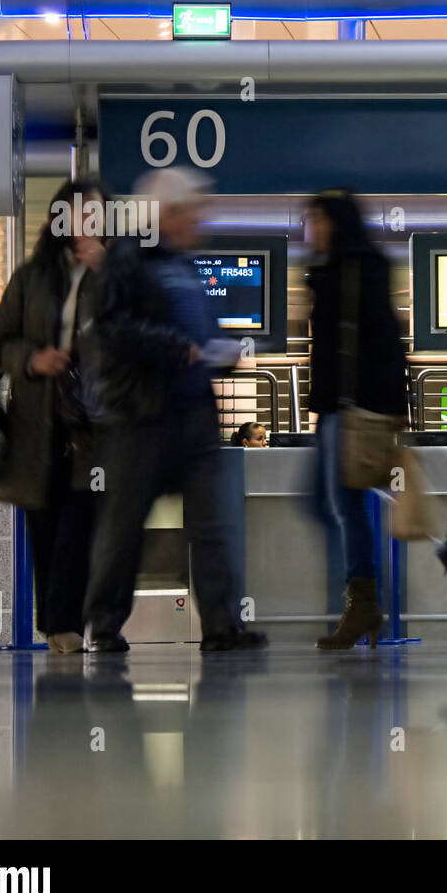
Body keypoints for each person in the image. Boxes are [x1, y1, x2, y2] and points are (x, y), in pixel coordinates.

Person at [82, 167, 267, 653]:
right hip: (142, 416)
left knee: (210, 524)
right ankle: (104, 627)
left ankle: (223, 626)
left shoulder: (186, 267)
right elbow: (113, 329)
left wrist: (216, 355)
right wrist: (173, 348)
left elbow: (195, 337)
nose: (199, 223)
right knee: (125, 524)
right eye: (191, 214)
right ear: (165, 214)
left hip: (194, 416)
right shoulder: (128, 259)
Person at [0, 178, 108, 654]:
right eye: (81, 213)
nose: (89, 224)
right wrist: (34, 359)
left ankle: (65, 626)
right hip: (38, 427)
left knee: (80, 527)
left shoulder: (113, 277)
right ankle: (57, 628)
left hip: (93, 429)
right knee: (47, 526)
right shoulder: (31, 278)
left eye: (97, 215)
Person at [305, 189, 408, 650]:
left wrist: (393, 403)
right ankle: (363, 600)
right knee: (331, 505)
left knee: (340, 506)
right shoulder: (329, 269)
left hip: (351, 409)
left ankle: (364, 600)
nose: (312, 228)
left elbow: (385, 337)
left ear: (338, 222)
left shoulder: (357, 268)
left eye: (319, 219)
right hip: (334, 408)